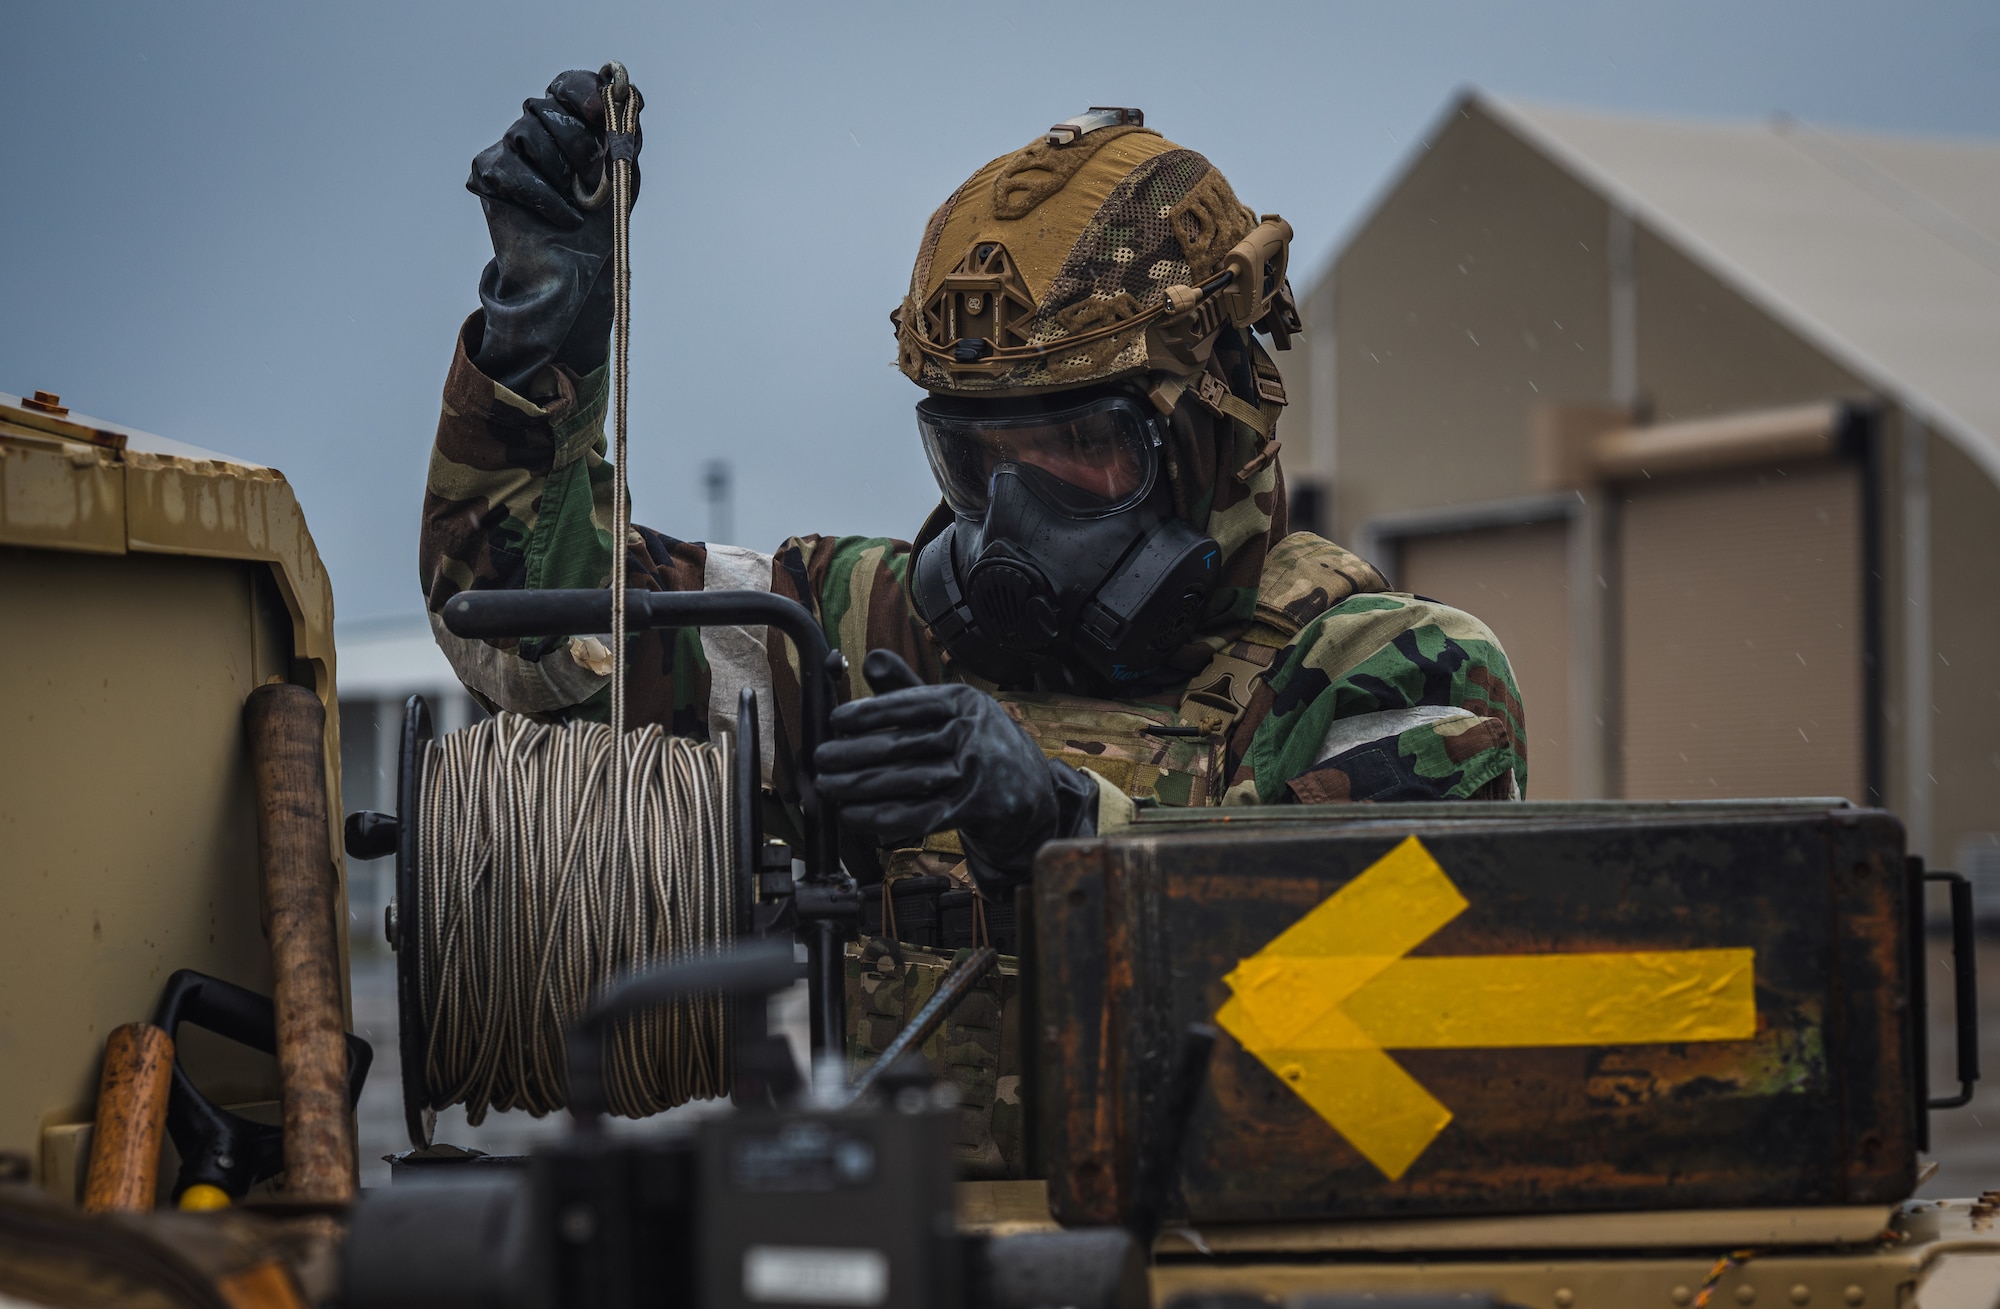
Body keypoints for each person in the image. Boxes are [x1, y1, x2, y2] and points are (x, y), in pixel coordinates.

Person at [421, 72, 1528, 903]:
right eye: (972, 461)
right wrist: (540, 337)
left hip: (1218, 1221)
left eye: (1076, 446)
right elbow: (533, 645)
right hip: (897, 1212)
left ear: (1210, 433)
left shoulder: (1392, 673)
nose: (1009, 523)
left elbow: (1333, 968)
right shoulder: (851, 627)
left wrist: (1057, 822)